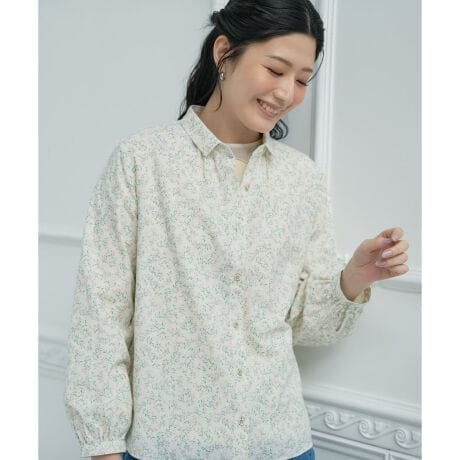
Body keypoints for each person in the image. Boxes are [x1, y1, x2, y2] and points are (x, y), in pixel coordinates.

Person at [63, 1, 410, 459]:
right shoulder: (142, 162)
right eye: (276, 69)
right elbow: (100, 316)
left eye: (302, 80)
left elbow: (306, 325)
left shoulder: (301, 179)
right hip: (171, 447)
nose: (286, 93)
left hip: (281, 443)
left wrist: (353, 278)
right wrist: (103, 445)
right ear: (224, 53)